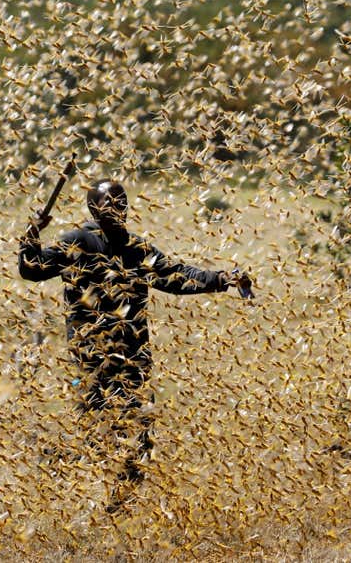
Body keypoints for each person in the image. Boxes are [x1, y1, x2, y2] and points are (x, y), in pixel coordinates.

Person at [18, 178, 252, 504]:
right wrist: (32, 231)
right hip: (93, 358)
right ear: (94, 209)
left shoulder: (136, 249)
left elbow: (176, 275)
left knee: (140, 439)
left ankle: (119, 509)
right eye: (110, 203)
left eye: (122, 202)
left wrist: (221, 279)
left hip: (134, 358)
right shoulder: (77, 242)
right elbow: (32, 269)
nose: (118, 209)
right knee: (104, 435)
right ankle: (63, 469)